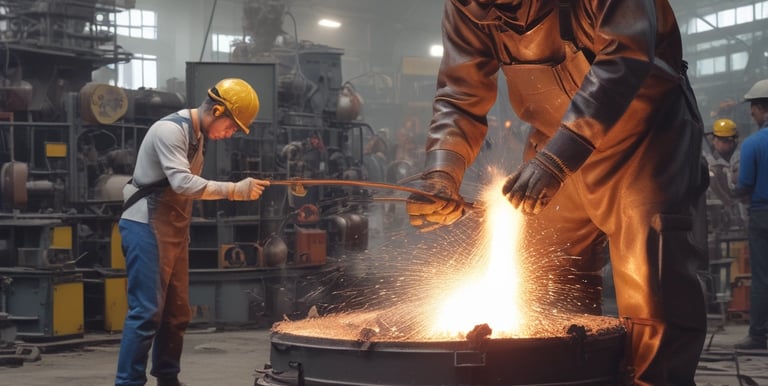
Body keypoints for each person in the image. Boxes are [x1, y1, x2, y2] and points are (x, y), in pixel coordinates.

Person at [406, 1, 708, 385]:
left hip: (644, 141)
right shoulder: (469, 6)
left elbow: (625, 57)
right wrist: (442, 172)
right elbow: (459, 92)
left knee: (653, 288)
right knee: (547, 280)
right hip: (553, 144)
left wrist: (558, 159)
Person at [115, 78, 270, 386]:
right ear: (216, 110)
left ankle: (168, 378)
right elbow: (182, 183)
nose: (231, 134)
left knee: (176, 313)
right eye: (232, 126)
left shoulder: (199, 137)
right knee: (146, 312)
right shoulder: (170, 131)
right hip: (145, 226)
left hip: (172, 230)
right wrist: (233, 190)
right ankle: (128, 383)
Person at [733, 78, 768, 350]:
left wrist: (731, 189)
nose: (750, 113)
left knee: (762, 276)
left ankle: (757, 335)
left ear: (762, 108)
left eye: (753, 108)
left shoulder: (753, 144)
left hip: (762, 215)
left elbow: (744, 185)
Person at [704, 118, 746, 231]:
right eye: (724, 141)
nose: (728, 144)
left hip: (741, 212)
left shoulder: (742, 157)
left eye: (730, 141)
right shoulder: (706, 160)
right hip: (713, 212)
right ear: (714, 140)